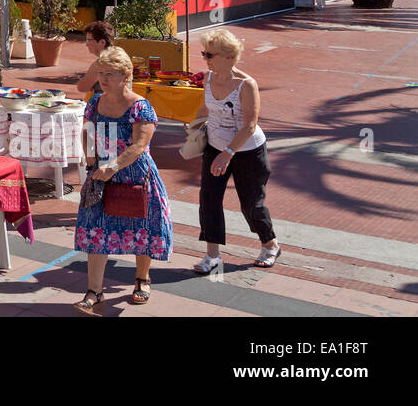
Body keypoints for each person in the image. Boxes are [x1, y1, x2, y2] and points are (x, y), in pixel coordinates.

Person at [73, 46, 172, 313]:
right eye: (101, 73)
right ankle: (94, 290)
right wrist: (91, 158)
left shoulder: (140, 106)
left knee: (142, 229)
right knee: (95, 230)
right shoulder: (95, 101)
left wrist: (113, 166)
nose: (103, 79)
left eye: (110, 74)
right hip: (102, 176)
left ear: (125, 75)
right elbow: (86, 131)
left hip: (136, 176)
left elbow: (140, 145)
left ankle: (142, 280)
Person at [192, 29, 280, 274]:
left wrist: (228, 152)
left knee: (251, 204)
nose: (206, 59)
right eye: (204, 53)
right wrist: (193, 130)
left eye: (210, 54)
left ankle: (270, 244)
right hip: (215, 147)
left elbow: (249, 125)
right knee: (209, 200)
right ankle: (212, 256)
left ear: (230, 57)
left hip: (247, 151)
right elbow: (204, 108)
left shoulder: (246, 85)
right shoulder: (209, 78)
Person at [75, 21, 115, 96]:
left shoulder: (102, 64)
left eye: (89, 40)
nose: (86, 44)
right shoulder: (121, 58)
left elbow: (81, 88)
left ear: (102, 42)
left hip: (106, 106)